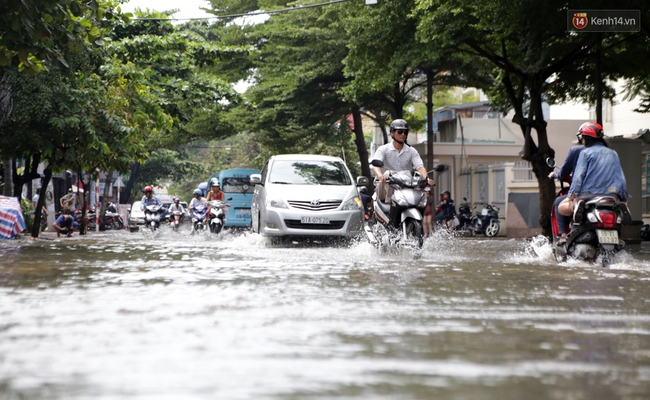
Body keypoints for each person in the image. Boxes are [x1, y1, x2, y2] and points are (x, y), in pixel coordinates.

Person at [557, 122, 628, 244]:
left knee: (561, 206)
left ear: (585, 138)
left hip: (589, 196)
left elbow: (578, 177)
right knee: (618, 204)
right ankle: (622, 208)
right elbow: (621, 179)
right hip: (612, 197)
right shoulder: (613, 153)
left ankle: (575, 208)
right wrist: (624, 199)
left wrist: (572, 196)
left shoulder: (585, 153)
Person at [371, 119, 435, 203]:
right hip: (383, 188)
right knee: (388, 173)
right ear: (392, 132)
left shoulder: (412, 151)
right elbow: (376, 166)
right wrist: (380, 176)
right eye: (400, 131)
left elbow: (420, 167)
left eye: (405, 132)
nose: (403, 134)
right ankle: (390, 203)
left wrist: (427, 179)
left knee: (418, 177)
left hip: (406, 189)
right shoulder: (383, 149)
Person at [548, 126, 585, 242]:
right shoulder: (609, 153)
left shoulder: (578, 151)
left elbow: (565, 173)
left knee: (559, 202)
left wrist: (556, 175)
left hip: (585, 193)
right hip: (607, 193)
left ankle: (563, 235)